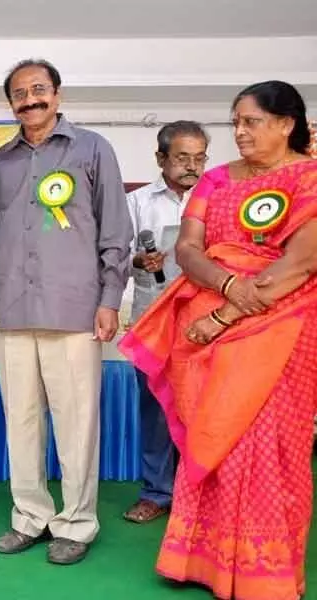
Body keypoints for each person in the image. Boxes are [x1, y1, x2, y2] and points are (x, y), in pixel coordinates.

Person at [120, 80, 317, 600]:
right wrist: (228, 285)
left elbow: (302, 261)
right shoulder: (216, 180)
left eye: (250, 121)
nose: (240, 132)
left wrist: (226, 316)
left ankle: (262, 570)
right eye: (236, 122)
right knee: (213, 438)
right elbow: (187, 247)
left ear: (285, 124)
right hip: (209, 315)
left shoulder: (312, 177)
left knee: (268, 444)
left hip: (283, 323)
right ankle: (201, 561)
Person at [0, 59, 132, 565]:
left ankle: (77, 523)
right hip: (14, 314)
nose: (30, 99)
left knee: (76, 422)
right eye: (20, 93)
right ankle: (30, 517)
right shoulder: (1, 161)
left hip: (75, 313)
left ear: (58, 94)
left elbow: (115, 235)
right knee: (19, 422)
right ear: (11, 103)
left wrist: (109, 301)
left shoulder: (92, 149)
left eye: (38, 89)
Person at [122, 121, 209, 524]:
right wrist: (138, 260)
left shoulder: (217, 198)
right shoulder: (137, 202)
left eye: (199, 158)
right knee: (156, 408)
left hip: (205, 322)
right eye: (182, 158)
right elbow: (114, 254)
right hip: (152, 318)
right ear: (161, 159)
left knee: (203, 409)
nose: (192, 166)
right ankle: (156, 493)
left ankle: (200, 494)